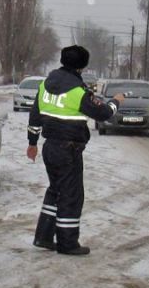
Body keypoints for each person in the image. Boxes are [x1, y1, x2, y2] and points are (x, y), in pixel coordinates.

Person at [26, 45, 124, 256]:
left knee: (56, 191)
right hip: (68, 150)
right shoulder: (78, 92)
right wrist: (117, 101)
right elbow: (104, 113)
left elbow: (35, 117)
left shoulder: (45, 85)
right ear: (82, 66)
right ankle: (68, 243)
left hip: (50, 147)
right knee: (71, 195)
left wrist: (32, 142)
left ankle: (44, 236)